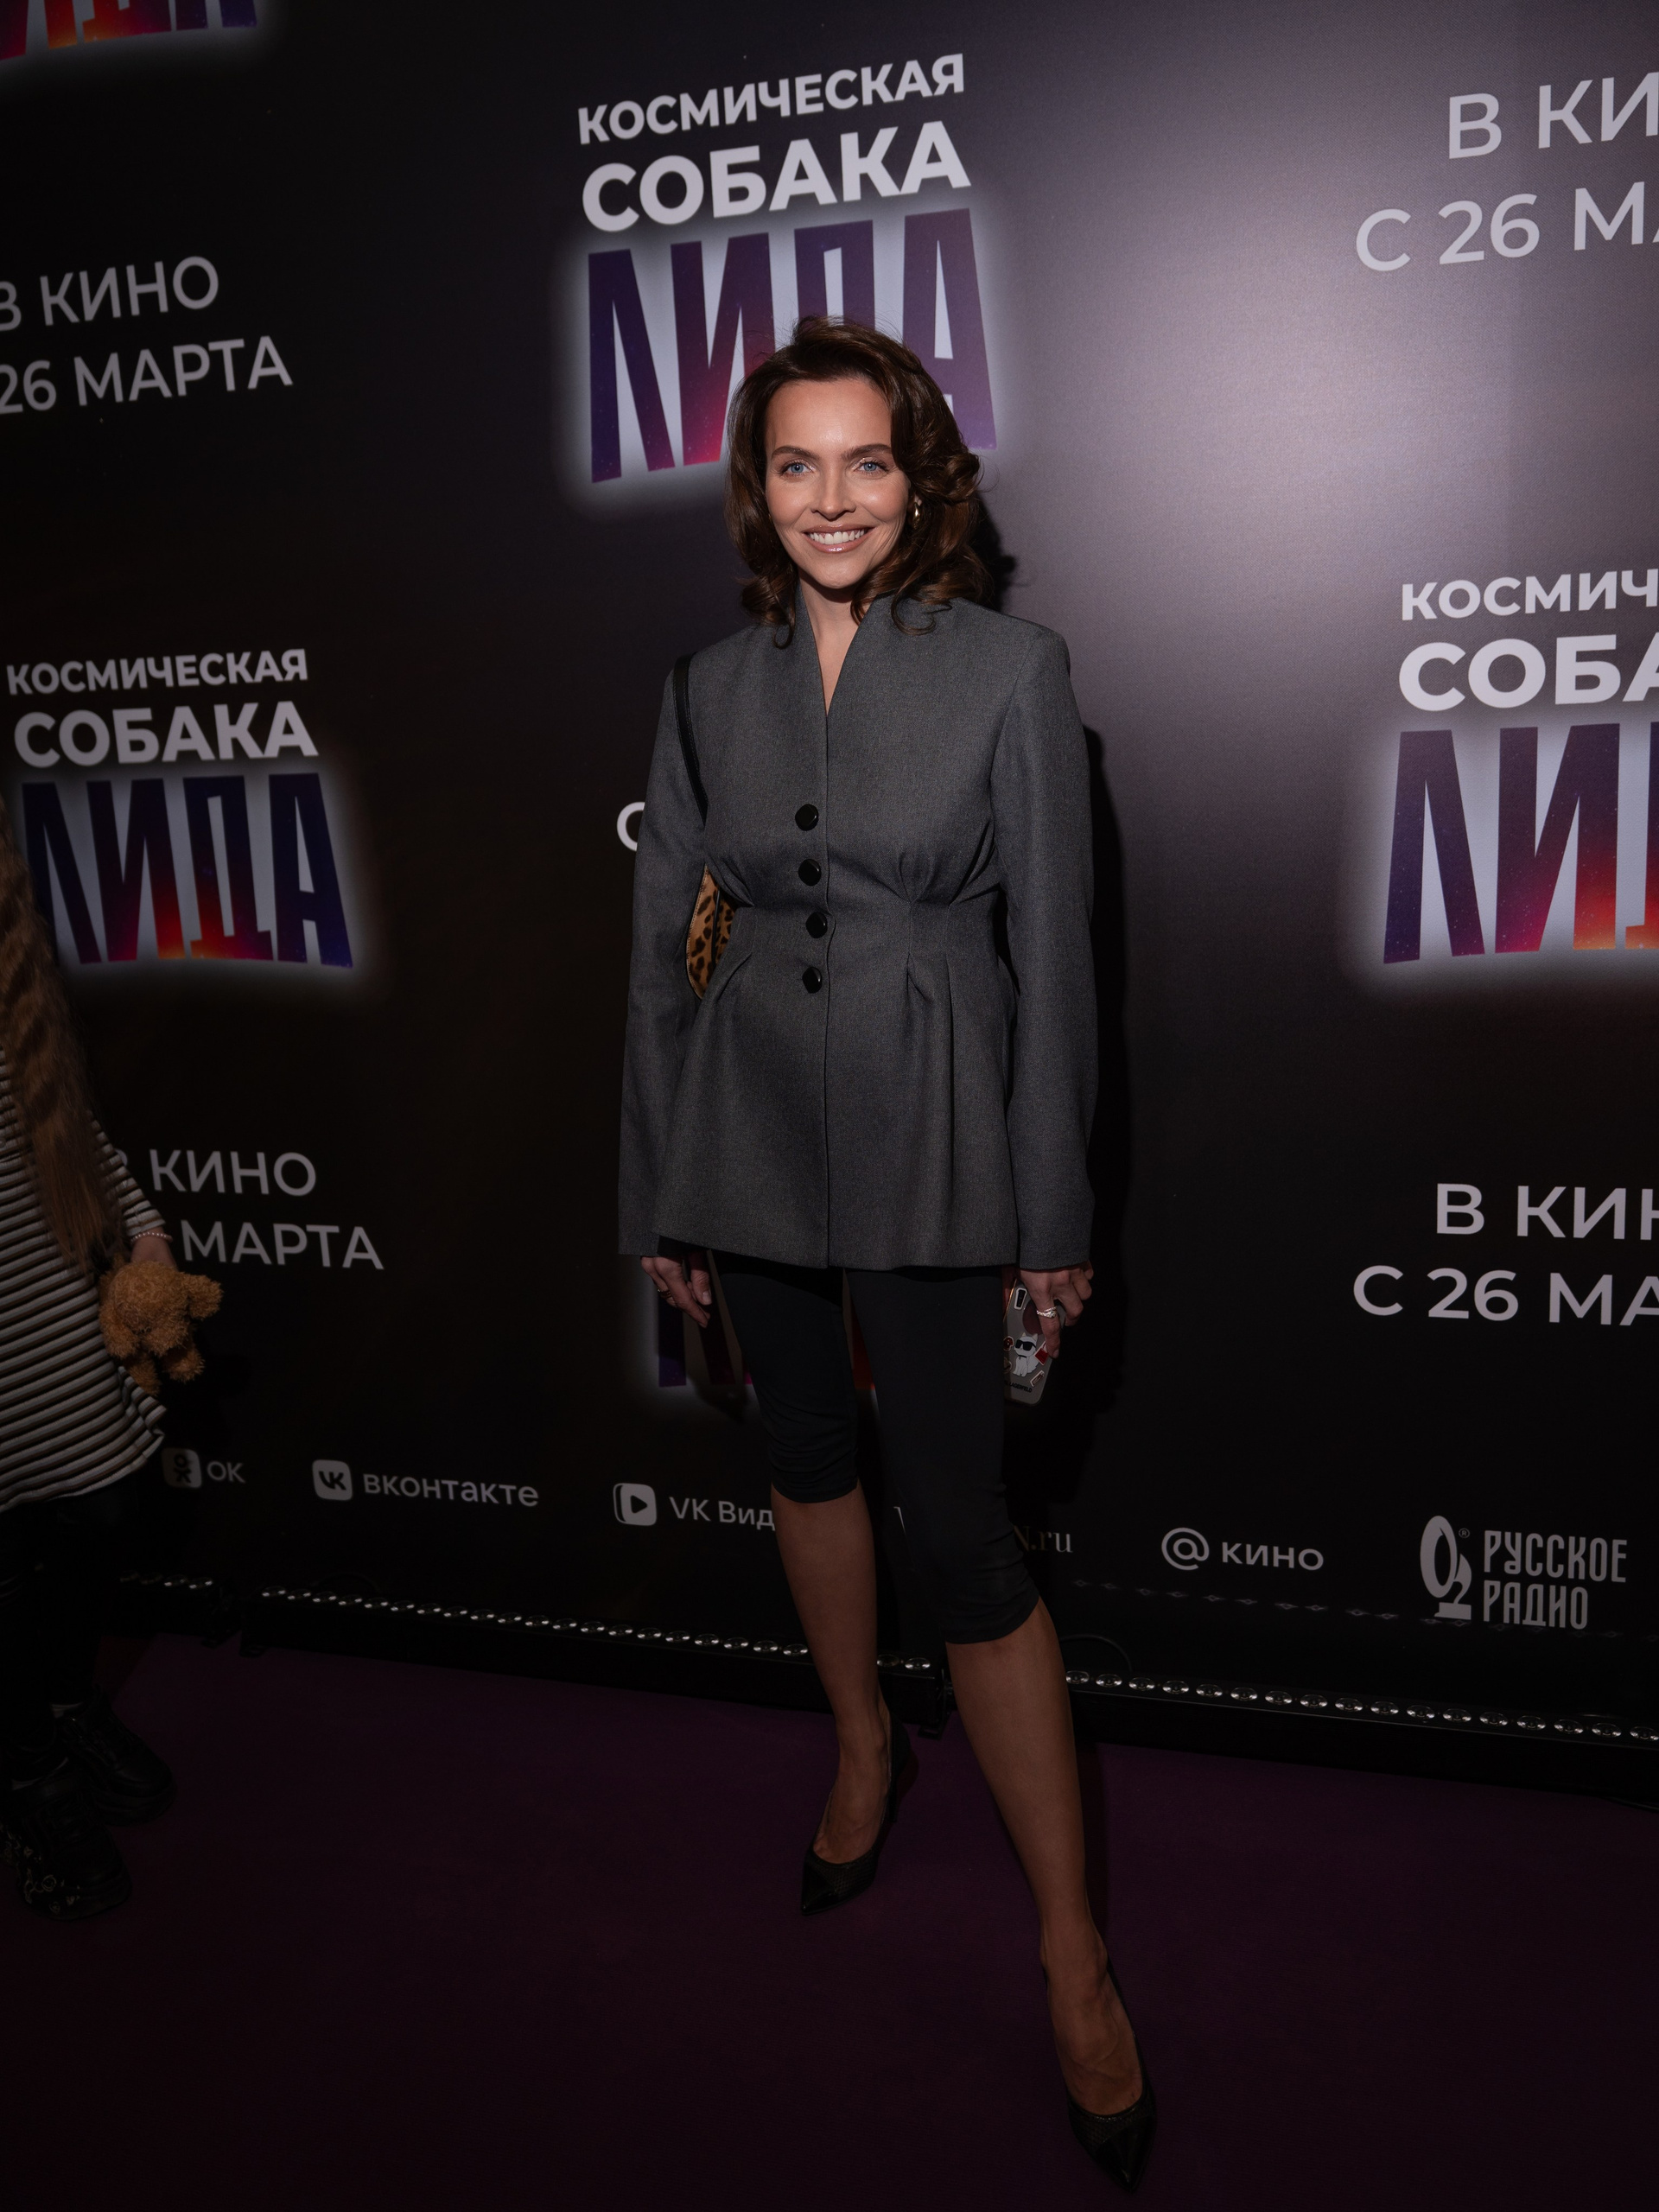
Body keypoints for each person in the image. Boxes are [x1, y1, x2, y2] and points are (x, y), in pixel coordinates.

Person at [619, 319, 1154, 2190]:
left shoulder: (1013, 670)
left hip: (939, 1128)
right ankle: (860, 1744)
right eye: (796, 463)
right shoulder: (706, 689)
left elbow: (1059, 969)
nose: (830, 498)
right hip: (748, 1129)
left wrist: (1048, 1217)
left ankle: (1072, 1950)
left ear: (921, 482)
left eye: (866, 461)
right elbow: (667, 952)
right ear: (754, 488)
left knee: (967, 1533)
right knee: (801, 1454)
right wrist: (665, 1192)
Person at [0, 796, 179, 1921]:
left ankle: (63, 1704)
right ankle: (28, 1780)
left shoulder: (8, 960)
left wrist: (142, 1231)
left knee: (102, 1508)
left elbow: (57, 1119)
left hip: (43, 1297)